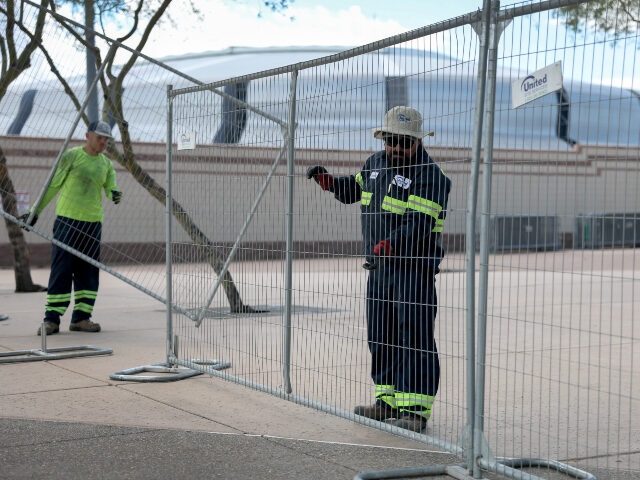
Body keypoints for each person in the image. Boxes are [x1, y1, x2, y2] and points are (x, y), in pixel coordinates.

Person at [307, 106, 451, 432]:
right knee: (381, 336)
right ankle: (386, 402)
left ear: (416, 141)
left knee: (413, 337)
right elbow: (354, 188)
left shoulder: (430, 176)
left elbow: (419, 223)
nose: (396, 148)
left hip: (412, 271)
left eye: (403, 142)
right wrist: (330, 183)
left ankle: (415, 410)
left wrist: (391, 244)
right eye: (391, 141)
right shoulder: (375, 164)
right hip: (380, 269)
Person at [20, 121, 122, 336]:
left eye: (106, 139)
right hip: (67, 222)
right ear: (87, 135)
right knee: (61, 269)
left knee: (88, 271)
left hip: (92, 224)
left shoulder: (106, 164)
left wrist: (114, 192)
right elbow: (52, 185)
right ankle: (51, 320)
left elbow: (111, 184)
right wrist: (34, 212)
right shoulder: (72, 156)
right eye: (99, 137)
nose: (103, 142)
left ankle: (81, 319)